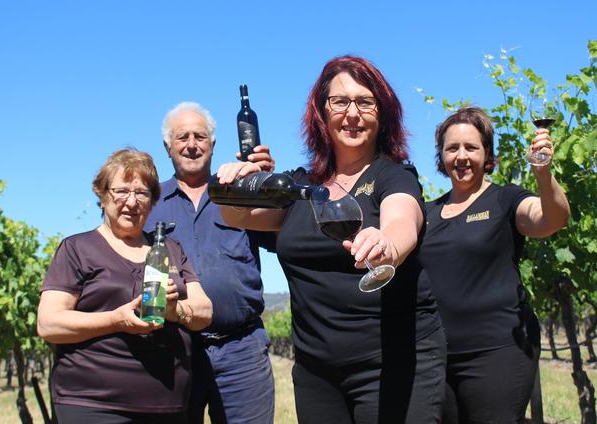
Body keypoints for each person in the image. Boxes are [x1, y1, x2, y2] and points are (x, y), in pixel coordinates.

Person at [215, 56, 447, 424]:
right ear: (322, 113)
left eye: (365, 102)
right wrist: (234, 185)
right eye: (340, 102)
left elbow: (403, 220)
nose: (352, 113)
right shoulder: (300, 184)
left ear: (382, 113)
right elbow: (237, 216)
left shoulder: (393, 175)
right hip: (315, 370)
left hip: (393, 363)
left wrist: (387, 244)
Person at [37, 148, 213, 424]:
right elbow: (49, 324)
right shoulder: (77, 249)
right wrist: (116, 320)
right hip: (92, 403)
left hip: (168, 405)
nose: (131, 201)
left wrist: (174, 311)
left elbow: (204, 310)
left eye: (142, 193)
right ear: (103, 195)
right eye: (121, 191)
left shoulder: (170, 249)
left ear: (153, 200)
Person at [419, 106, 570, 423]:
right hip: (437, 358)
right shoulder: (427, 214)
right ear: (441, 156)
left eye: (471, 147)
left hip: (499, 352)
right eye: (452, 148)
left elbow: (551, 219)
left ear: (486, 153)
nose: (462, 156)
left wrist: (543, 173)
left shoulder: (505, 199)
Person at [144, 102, 276, 424]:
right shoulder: (149, 205)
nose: (192, 144)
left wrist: (268, 185)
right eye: (182, 137)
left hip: (241, 352)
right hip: (173, 352)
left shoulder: (240, 193)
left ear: (213, 144)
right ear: (167, 147)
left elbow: (282, 234)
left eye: (200, 136)